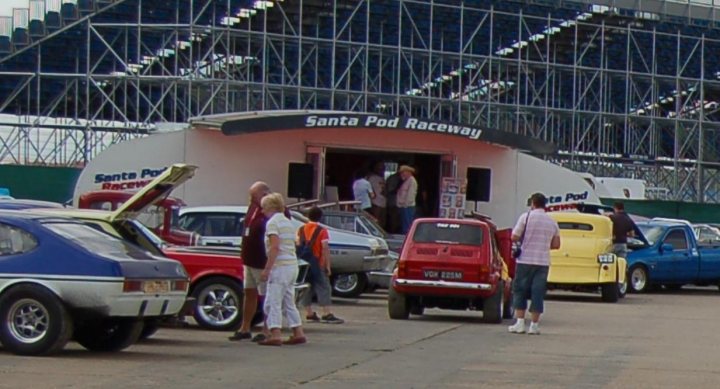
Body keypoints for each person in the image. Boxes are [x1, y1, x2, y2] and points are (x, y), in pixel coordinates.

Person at [508, 193, 561, 335]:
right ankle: (534, 325)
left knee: (520, 290)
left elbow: (514, 236)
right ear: (545, 204)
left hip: (524, 260)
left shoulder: (525, 217)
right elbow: (556, 245)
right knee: (537, 292)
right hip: (543, 262)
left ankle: (520, 323)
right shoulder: (552, 222)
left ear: (533, 203)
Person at [258, 192, 307, 346]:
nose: (262, 211)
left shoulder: (272, 223)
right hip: (292, 265)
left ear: (269, 207)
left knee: (273, 301)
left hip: (280, 267)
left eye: (263, 208)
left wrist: (267, 269)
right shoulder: (288, 222)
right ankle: (298, 331)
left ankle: (275, 333)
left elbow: (274, 247)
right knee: (288, 301)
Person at [229, 181, 272, 342]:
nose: (252, 200)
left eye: (254, 197)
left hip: (262, 261)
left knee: (267, 295)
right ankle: (245, 327)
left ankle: (267, 329)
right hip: (249, 260)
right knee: (249, 293)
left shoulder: (273, 211)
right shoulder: (253, 208)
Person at [297, 206, 344, 324]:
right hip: (317, 263)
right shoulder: (322, 231)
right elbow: (325, 249)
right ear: (320, 217)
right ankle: (326, 312)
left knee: (308, 287)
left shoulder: (301, 229)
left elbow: (298, 244)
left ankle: (309, 312)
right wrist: (327, 265)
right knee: (324, 287)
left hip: (304, 263)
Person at [396, 165, 418, 234]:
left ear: (408, 172)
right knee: (404, 223)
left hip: (408, 206)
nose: (402, 174)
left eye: (403, 172)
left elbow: (411, 195)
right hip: (404, 206)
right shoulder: (406, 181)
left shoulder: (412, 181)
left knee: (407, 224)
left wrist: (405, 204)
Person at [367, 161, 387, 228]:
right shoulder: (371, 177)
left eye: (383, 168)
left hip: (383, 202)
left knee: (383, 220)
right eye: (380, 168)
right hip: (375, 202)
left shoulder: (382, 178)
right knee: (376, 219)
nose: (382, 169)